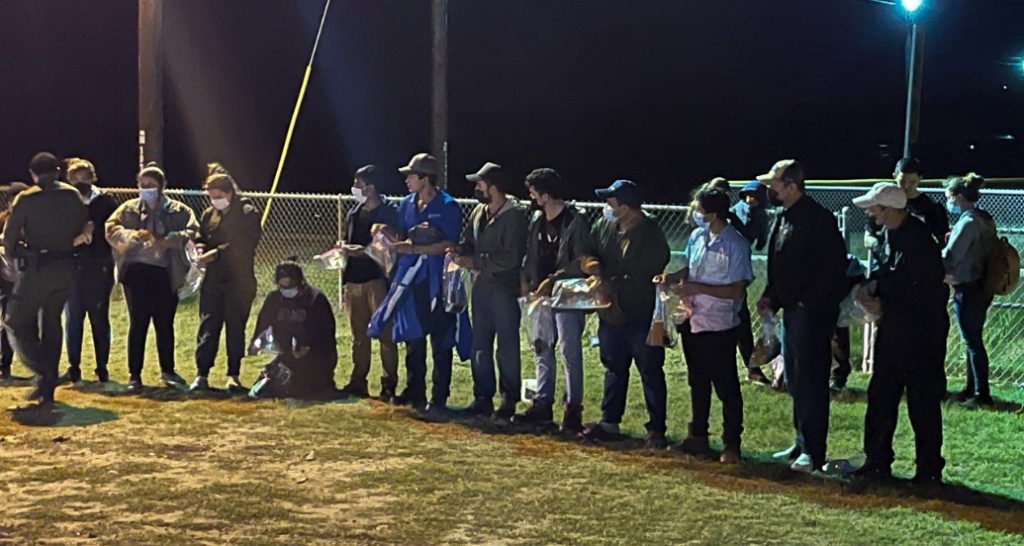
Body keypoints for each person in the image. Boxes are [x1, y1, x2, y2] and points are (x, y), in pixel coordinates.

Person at [850, 183, 949, 486]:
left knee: (922, 399)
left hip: (922, 331)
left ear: (890, 209)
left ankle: (928, 469)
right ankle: (877, 460)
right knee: (881, 393)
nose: (869, 213)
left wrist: (879, 292)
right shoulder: (889, 235)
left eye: (874, 208)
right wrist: (870, 287)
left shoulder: (917, 240)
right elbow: (886, 275)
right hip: (895, 326)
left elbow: (917, 286)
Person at [756, 159, 848, 473]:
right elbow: (780, 263)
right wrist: (771, 295)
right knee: (795, 379)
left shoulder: (817, 220)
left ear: (791, 186)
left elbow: (831, 268)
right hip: (792, 311)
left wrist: (810, 303)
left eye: (774, 184)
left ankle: (814, 449)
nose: (769, 189)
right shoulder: (784, 217)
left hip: (811, 313)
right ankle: (800, 441)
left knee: (811, 380)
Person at [368, 153, 468, 418]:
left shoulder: (448, 205)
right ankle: (415, 390)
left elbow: (449, 245)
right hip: (411, 279)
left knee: (440, 338)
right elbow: (401, 233)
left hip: (438, 280)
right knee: (413, 336)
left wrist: (415, 248)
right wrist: (384, 232)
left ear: (425, 178)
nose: (407, 181)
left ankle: (438, 397)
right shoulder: (407, 204)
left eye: (411, 176)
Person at [660, 187, 752, 464]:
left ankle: (731, 444)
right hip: (692, 318)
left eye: (699, 209)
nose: (695, 214)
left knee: (726, 387)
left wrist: (697, 287)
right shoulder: (697, 236)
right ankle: (697, 436)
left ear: (713, 213)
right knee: (697, 381)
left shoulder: (735, 244)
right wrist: (671, 277)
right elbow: (688, 269)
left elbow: (738, 291)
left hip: (719, 324)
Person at [579, 179, 671, 448]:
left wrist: (610, 282)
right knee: (613, 367)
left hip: (640, 311)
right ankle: (609, 421)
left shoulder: (651, 233)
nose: (607, 204)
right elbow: (587, 252)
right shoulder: (604, 226)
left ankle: (656, 429)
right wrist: (593, 267)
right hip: (610, 312)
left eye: (612, 200)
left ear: (627, 206)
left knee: (650, 369)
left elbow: (648, 271)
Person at [1, 152, 88, 405]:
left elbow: (8, 241)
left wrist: (17, 253)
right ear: (59, 171)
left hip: (37, 268)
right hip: (66, 267)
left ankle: (44, 372)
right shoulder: (72, 195)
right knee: (52, 322)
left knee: (15, 322)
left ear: (33, 174)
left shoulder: (27, 198)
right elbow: (79, 227)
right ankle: (47, 386)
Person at [106, 163, 198, 392]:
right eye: (142, 185)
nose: (146, 189)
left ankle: (168, 371)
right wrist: (130, 236)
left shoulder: (178, 210)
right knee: (138, 324)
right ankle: (134, 375)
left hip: (166, 273)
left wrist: (171, 239)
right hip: (136, 273)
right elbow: (111, 227)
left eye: (151, 185)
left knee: (164, 324)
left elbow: (192, 230)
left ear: (163, 186)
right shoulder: (128, 209)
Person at [515, 168, 592, 432]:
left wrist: (555, 279)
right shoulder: (537, 220)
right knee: (541, 347)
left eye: (534, 191)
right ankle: (542, 403)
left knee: (569, 350)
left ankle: (573, 408)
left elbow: (580, 260)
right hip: (541, 293)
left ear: (546, 194)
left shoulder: (575, 220)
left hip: (567, 294)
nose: (531, 197)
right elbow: (531, 254)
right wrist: (527, 281)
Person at [451, 162, 528, 420]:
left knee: (506, 345)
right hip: (481, 287)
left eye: (480, 183)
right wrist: (460, 250)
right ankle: (482, 397)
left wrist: (477, 262)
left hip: (504, 287)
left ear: (494, 187)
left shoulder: (515, 215)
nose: (476, 187)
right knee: (479, 344)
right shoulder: (479, 212)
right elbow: (469, 240)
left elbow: (512, 256)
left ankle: (508, 399)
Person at [190, 163, 262, 393]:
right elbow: (202, 236)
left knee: (235, 327)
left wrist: (218, 253)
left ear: (230, 193)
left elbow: (245, 243)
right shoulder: (209, 214)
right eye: (211, 196)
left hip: (238, 281)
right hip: (213, 281)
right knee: (208, 326)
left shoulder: (248, 213)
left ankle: (233, 374)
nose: (215, 200)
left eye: (219, 196)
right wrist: (200, 248)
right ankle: (202, 374)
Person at [337, 164, 400, 400]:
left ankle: (388, 384)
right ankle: (358, 380)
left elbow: (389, 249)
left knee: (385, 336)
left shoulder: (389, 213)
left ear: (370, 188)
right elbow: (348, 242)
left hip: (377, 282)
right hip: (354, 282)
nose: (354, 189)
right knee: (358, 338)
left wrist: (361, 251)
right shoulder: (354, 214)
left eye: (358, 185)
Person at [60, 158, 119, 385]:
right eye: (74, 180)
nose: (79, 183)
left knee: (99, 318)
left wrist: (91, 229)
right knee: (73, 318)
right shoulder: (66, 202)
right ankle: (73, 367)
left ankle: (101, 368)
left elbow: (106, 229)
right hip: (72, 267)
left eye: (84, 178)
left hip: (98, 268)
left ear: (93, 178)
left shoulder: (105, 202)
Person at [942, 173, 996, 408]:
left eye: (950, 198)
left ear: (959, 197)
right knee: (972, 339)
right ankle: (971, 388)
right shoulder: (985, 219)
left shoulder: (968, 222)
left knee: (972, 340)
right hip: (983, 284)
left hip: (968, 285)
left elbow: (952, 256)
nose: (949, 203)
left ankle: (981, 393)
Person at [249, 259, 338, 400]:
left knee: (304, 390)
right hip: (287, 354)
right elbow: (263, 323)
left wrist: (308, 348)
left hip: (316, 355)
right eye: (282, 286)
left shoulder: (316, 299)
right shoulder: (274, 299)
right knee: (272, 385)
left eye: (290, 285)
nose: (287, 290)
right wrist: (255, 344)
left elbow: (326, 333)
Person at [729, 180, 771, 385]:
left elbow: (752, 237)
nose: (749, 200)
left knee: (741, 323)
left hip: (737, 274)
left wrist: (731, 219)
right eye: (747, 196)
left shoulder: (758, 216)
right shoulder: (738, 210)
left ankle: (752, 367)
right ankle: (751, 367)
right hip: (721, 271)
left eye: (753, 196)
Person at [0, 182, 29, 381]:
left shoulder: (34, 222)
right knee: (7, 322)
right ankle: (4, 365)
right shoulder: (2, 220)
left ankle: (38, 367)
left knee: (32, 323)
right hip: (6, 278)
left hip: (30, 278)